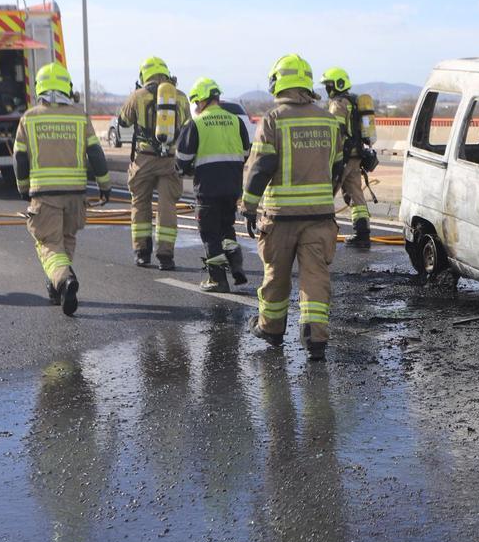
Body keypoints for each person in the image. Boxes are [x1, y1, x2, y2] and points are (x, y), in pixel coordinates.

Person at [241, 54, 343, 360]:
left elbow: (260, 167)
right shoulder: (328, 120)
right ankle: (315, 339)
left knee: (276, 275)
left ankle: (271, 329)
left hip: (280, 217)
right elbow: (336, 169)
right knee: (315, 277)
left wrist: (248, 206)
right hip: (320, 216)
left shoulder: (274, 119)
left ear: (277, 82)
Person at [13, 62, 111, 316]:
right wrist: (105, 185)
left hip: (45, 195)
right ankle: (59, 285)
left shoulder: (30, 118)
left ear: (39, 88)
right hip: (75, 196)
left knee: (47, 242)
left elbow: (20, 159)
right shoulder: (80, 117)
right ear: (67, 88)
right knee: (65, 239)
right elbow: (96, 154)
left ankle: (64, 280)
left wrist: (23, 188)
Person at [175, 77, 251, 292]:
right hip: (232, 187)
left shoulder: (196, 124)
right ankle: (236, 263)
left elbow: (182, 159)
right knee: (227, 228)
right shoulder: (236, 121)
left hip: (208, 189)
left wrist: (187, 169)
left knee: (209, 234)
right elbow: (246, 153)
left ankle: (218, 279)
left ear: (201, 101)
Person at [117, 56, 189, 270]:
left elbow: (123, 121)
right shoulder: (181, 97)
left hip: (144, 159)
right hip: (170, 160)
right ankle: (166, 256)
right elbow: (188, 128)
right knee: (167, 206)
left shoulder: (137, 96)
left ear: (144, 76)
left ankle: (142, 253)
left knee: (140, 204)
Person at [320, 66, 371, 248]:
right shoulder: (354, 101)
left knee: (327, 192)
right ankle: (362, 233)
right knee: (356, 193)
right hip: (357, 155)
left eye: (329, 85)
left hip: (344, 156)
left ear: (338, 84)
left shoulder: (338, 104)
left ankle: (321, 232)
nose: (327, 89)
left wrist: (330, 156)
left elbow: (335, 132)